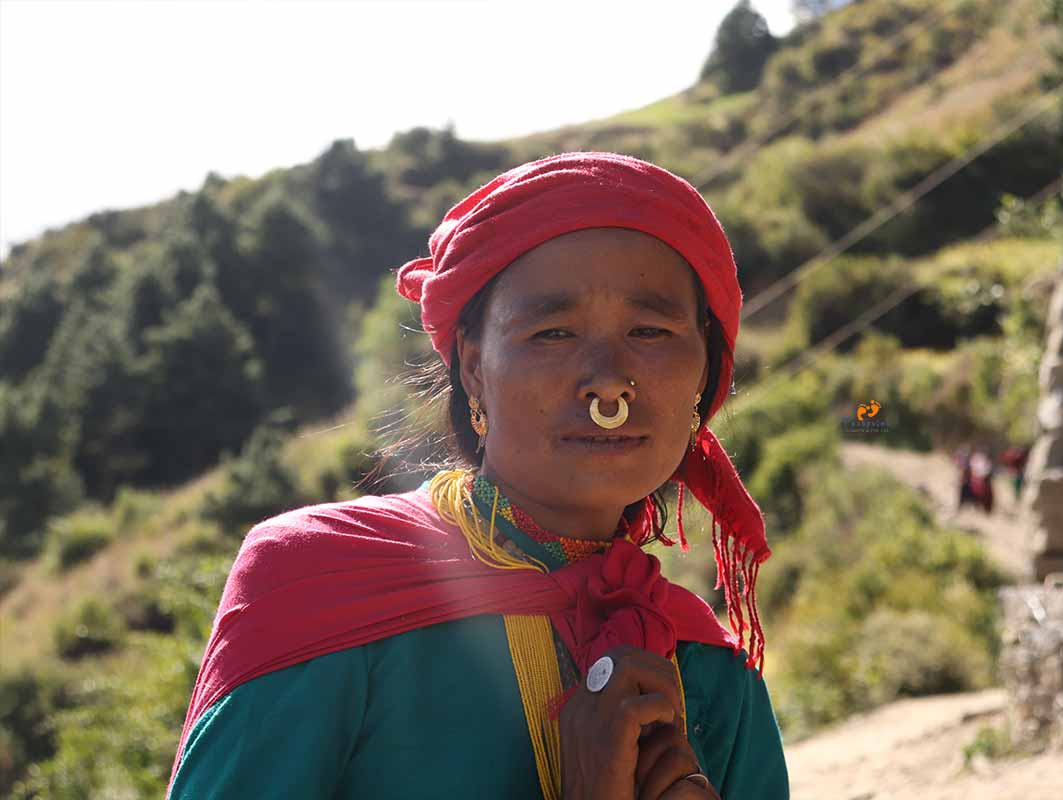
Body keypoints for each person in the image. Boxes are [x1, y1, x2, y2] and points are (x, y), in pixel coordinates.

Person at [164, 152, 789, 799]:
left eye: (651, 330)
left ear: (704, 374)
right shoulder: (316, 585)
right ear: (472, 368)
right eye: (553, 333)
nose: (609, 384)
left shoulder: (710, 666)